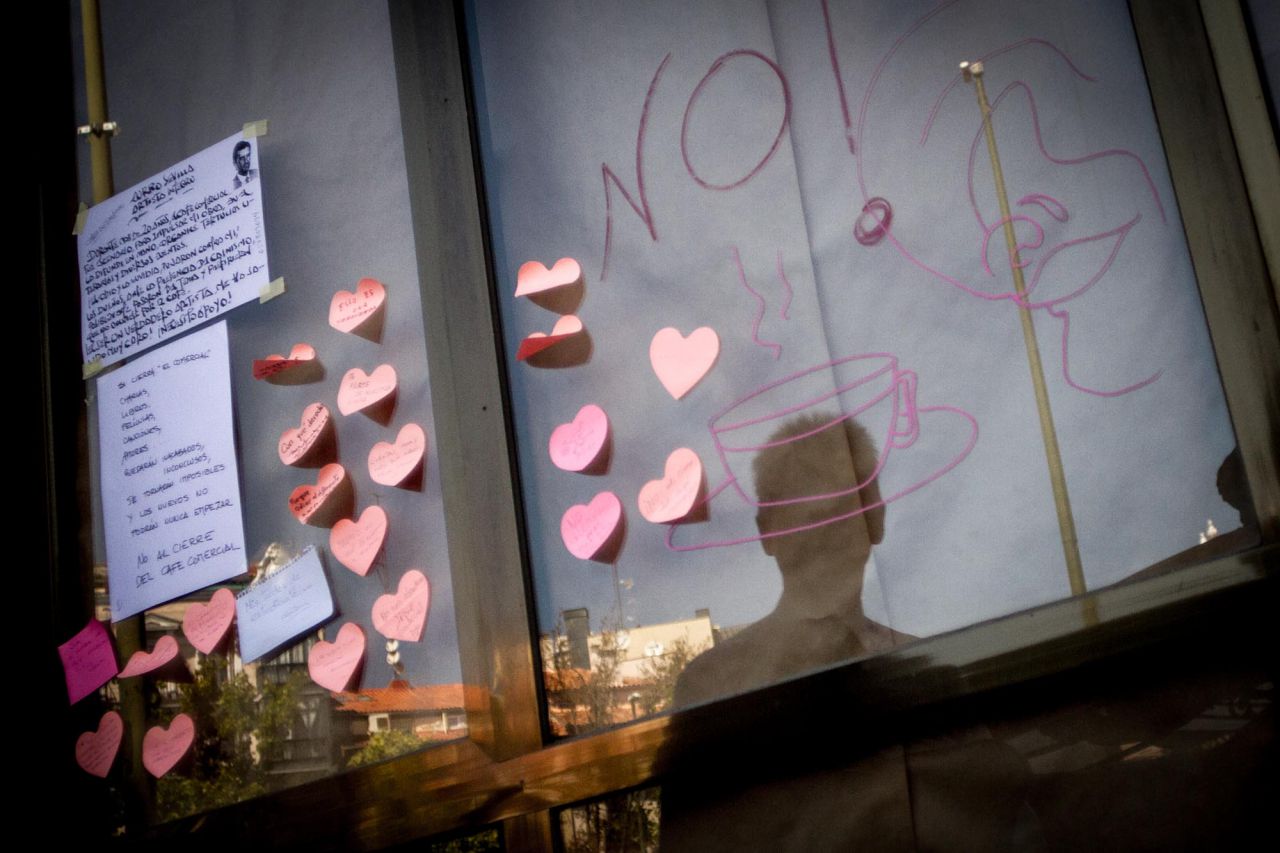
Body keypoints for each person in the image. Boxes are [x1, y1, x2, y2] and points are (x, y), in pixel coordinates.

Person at [673, 412, 909, 709]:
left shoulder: (713, 682)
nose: (823, 534)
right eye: (810, 517)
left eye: (840, 511)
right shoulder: (707, 685)